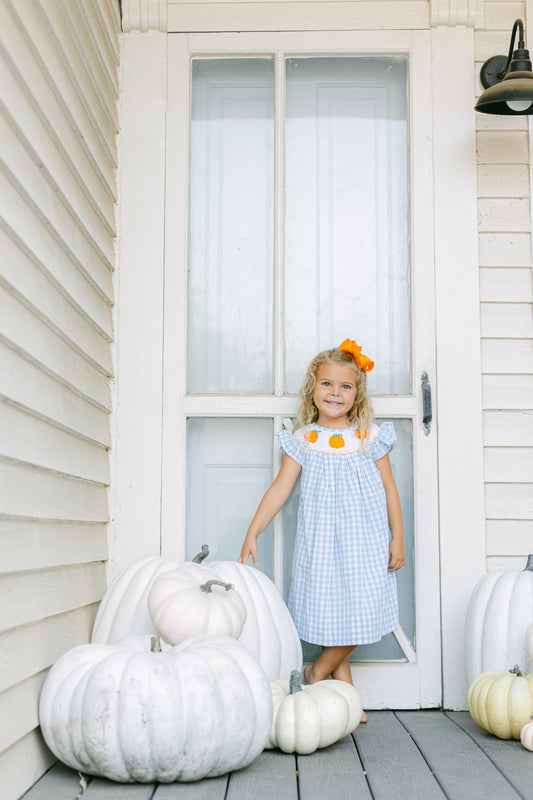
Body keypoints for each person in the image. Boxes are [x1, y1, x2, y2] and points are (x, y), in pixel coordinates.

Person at [238, 339, 405, 720]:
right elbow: (280, 490)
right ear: (312, 389)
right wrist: (253, 531)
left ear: (357, 394)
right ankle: (344, 694)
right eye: (327, 384)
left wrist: (398, 536)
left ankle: (317, 671)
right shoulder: (304, 440)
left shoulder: (369, 437)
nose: (335, 392)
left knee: (363, 613)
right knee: (337, 615)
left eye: (345, 386)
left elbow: (389, 489)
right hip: (323, 542)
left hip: (367, 540)